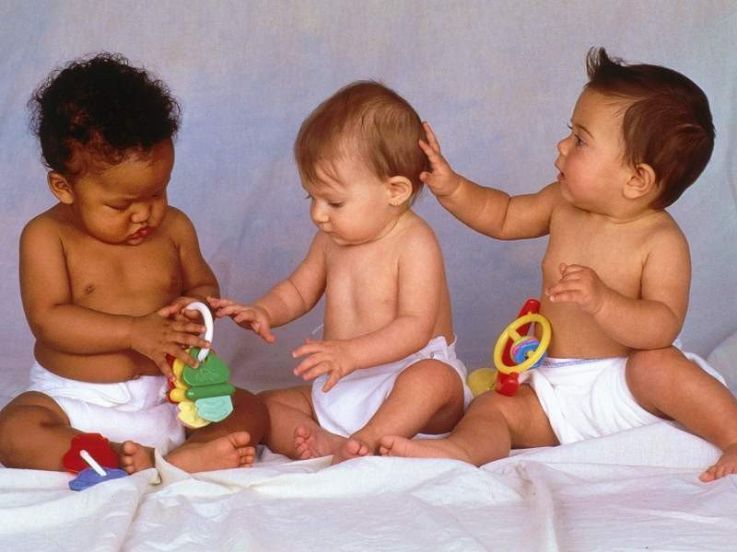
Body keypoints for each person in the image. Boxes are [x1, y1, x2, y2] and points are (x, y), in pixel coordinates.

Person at [379, 48, 737, 482]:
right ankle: (460, 450)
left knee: (657, 365)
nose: (562, 145)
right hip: (557, 388)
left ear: (636, 179)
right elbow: (502, 215)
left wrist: (603, 301)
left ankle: (733, 436)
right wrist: (451, 186)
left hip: (626, 388)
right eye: (570, 133)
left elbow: (662, 325)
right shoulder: (561, 204)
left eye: (581, 140)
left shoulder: (660, 241)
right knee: (494, 407)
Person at [0, 53, 268, 475]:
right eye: (121, 205)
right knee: (14, 430)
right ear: (63, 187)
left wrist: (194, 308)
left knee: (250, 407)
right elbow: (48, 319)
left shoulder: (175, 227)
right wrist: (133, 331)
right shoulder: (46, 236)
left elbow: (203, 287)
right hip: (76, 401)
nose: (144, 214)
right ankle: (112, 456)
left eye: (157, 193)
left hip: (169, 397)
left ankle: (187, 454)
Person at [209, 81, 472, 464]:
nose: (318, 214)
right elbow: (298, 291)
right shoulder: (330, 240)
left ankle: (369, 439)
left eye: (333, 201)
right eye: (311, 197)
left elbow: (415, 327)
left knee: (434, 379)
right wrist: (263, 311)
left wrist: (350, 352)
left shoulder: (415, 242)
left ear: (395, 191)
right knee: (267, 405)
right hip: (343, 382)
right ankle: (331, 442)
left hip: (404, 375)